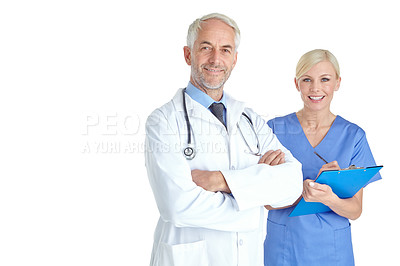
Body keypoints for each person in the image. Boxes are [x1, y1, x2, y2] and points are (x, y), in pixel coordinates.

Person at [145, 13, 303, 266]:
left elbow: (293, 182)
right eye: (206, 47)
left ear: (235, 59)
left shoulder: (250, 119)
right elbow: (177, 206)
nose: (216, 59)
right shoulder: (163, 121)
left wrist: (220, 180)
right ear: (188, 54)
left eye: (225, 50)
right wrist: (255, 200)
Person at [263, 49, 382, 266]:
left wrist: (328, 198)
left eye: (324, 79)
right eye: (307, 79)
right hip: (284, 246)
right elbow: (266, 202)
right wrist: (303, 191)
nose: (315, 88)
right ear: (296, 83)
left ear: (337, 82)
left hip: (333, 250)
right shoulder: (274, 130)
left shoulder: (353, 136)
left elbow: (355, 210)